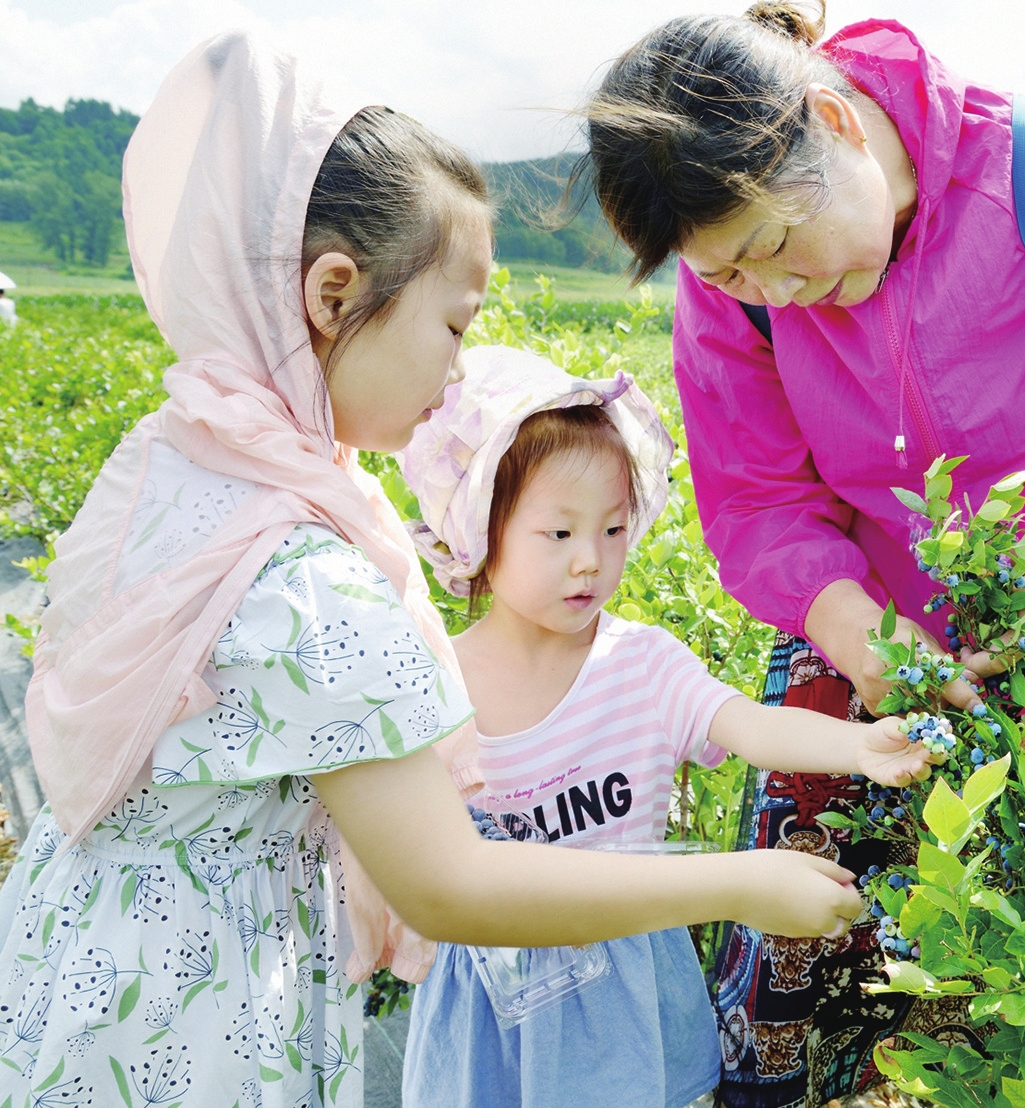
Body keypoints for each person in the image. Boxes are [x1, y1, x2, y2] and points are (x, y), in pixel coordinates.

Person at [0, 35, 863, 1105]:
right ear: (332, 295)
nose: (459, 372)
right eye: (452, 324)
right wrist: (741, 881)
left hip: (78, 968)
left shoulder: (178, 460)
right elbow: (451, 883)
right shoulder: (304, 582)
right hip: (196, 1021)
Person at [573, 4, 1025, 1103]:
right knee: (800, 960)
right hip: (863, 644)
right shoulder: (731, 290)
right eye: (728, 277)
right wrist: (866, 642)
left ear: (836, 120)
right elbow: (759, 503)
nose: (768, 294)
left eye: (773, 249)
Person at [396, 345, 936, 1108]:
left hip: (630, 984)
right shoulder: (436, 686)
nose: (590, 561)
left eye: (613, 531)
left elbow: (746, 725)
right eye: (559, 535)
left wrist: (861, 748)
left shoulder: (640, 663)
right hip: (498, 1002)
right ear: (482, 529)